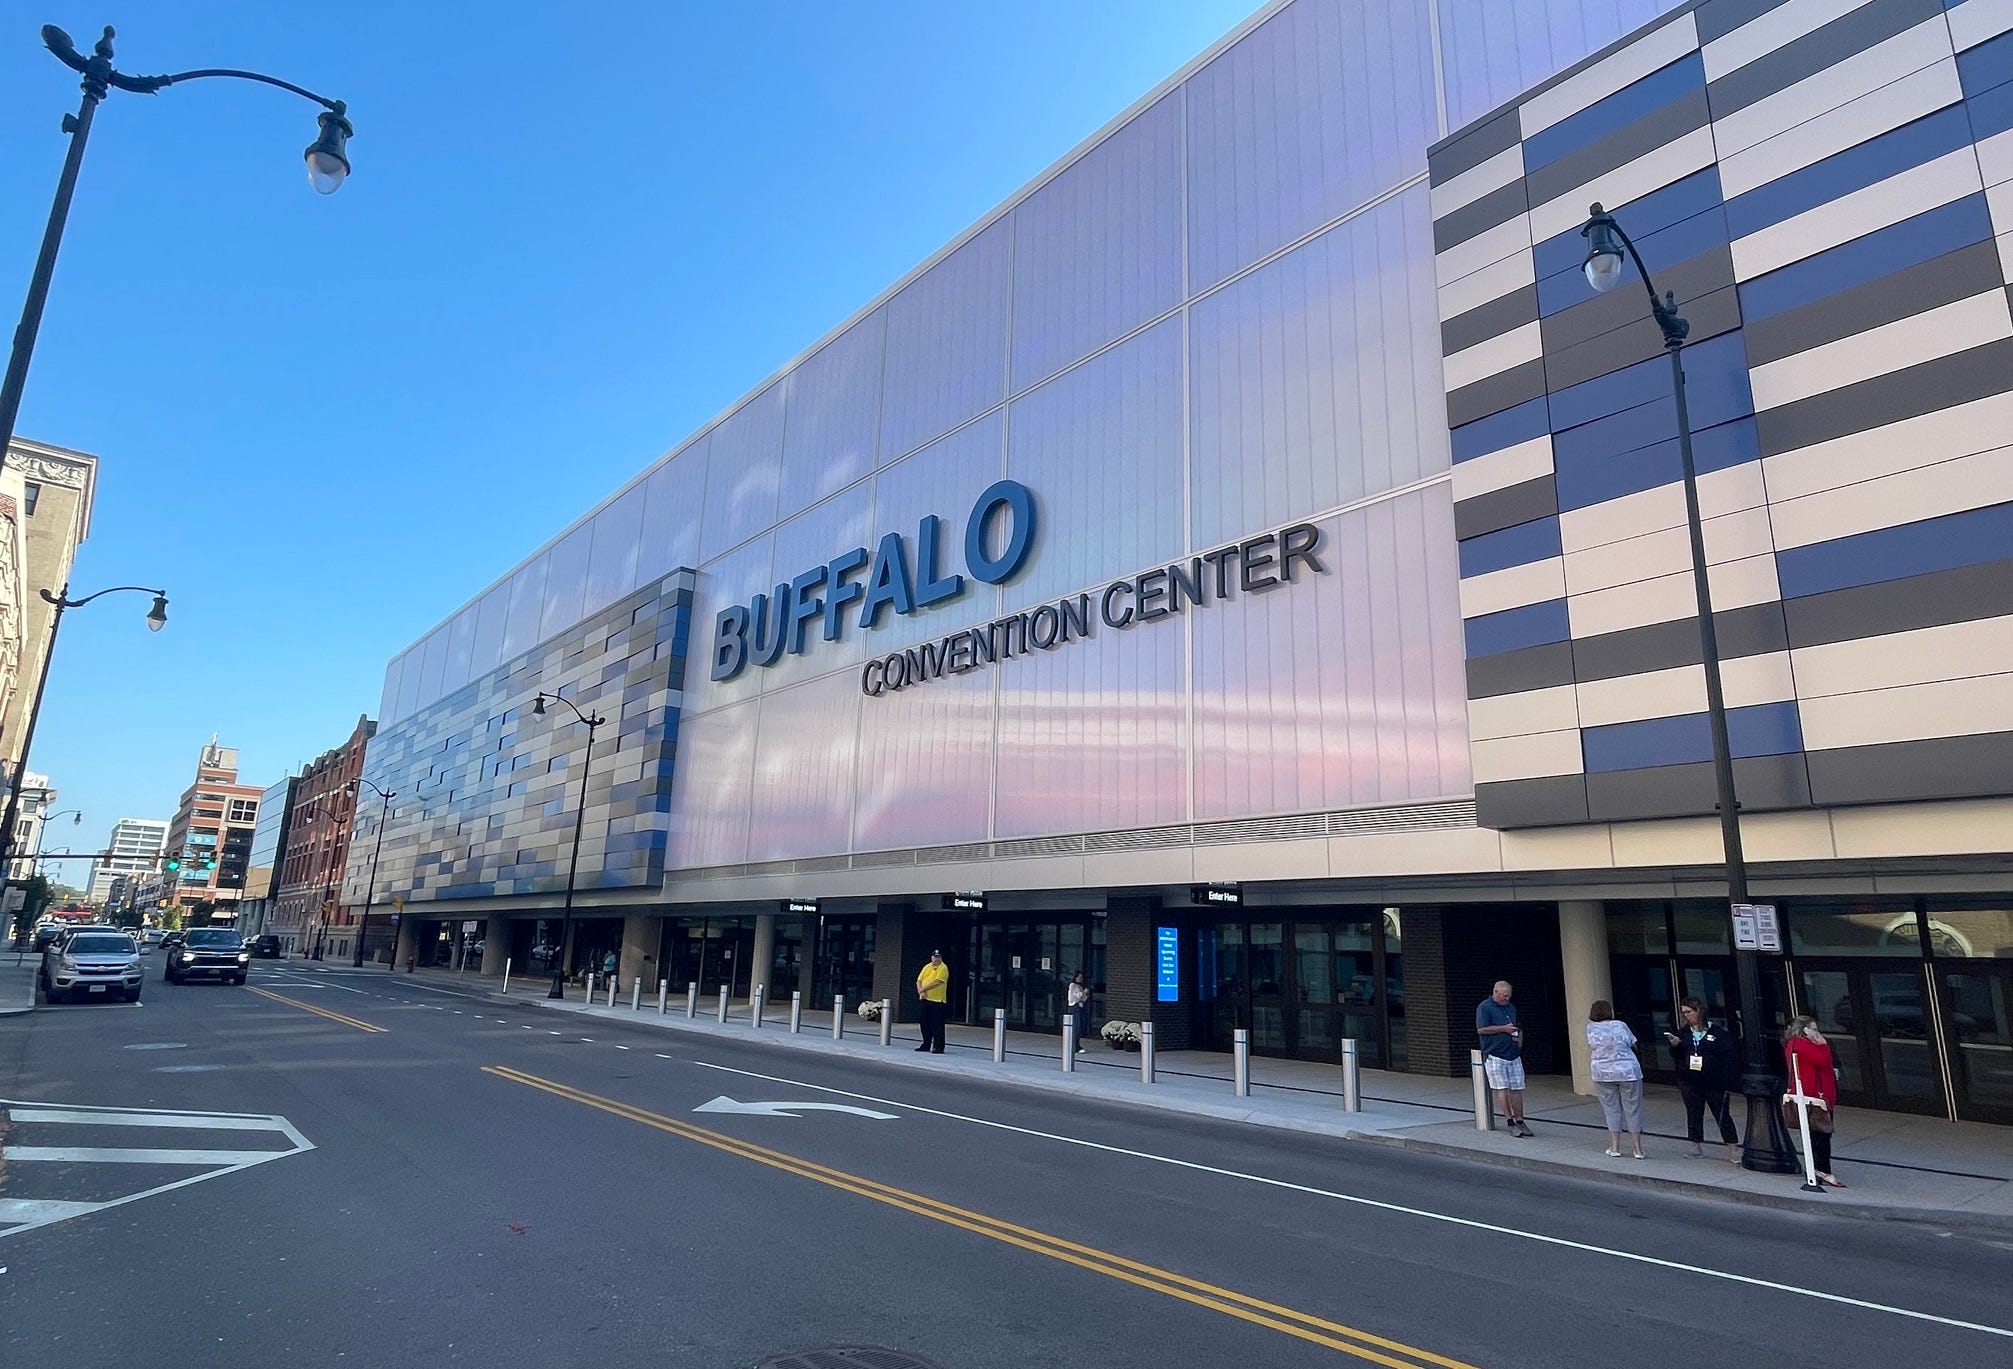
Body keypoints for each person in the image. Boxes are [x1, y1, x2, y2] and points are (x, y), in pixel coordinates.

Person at [1663, 996, 1740, 1161]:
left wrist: (1729, 1079)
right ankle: (1695, 1145)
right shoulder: (1683, 1032)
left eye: (1689, 1012)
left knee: (1721, 1113)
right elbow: (1677, 1056)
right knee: (1694, 1112)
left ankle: (1733, 1147)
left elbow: (1728, 1055)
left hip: (1713, 1079)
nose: (1686, 1016)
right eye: (1684, 1012)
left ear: (1699, 1011)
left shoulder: (1717, 1032)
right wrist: (1676, 1046)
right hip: (1689, 1078)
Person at [1783, 1014, 1844, 1188]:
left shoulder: (1796, 1044)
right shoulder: (1801, 1044)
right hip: (1815, 1096)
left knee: (1818, 1134)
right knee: (1821, 1134)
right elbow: (1822, 1060)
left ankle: (1817, 1168)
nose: (1818, 1034)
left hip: (1817, 1095)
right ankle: (1821, 1169)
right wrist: (1823, 1044)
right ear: (1805, 1030)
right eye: (1814, 1029)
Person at [1585, 1000, 1645, 1159]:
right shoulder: (1620, 1025)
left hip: (1602, 1072)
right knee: (1633, 1108)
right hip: (1627, 1071)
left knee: (1611, 1109)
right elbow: (1633, 1043)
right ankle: (1638, 1149)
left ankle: (1615, 1147)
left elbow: (1592, 1045)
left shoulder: (1590, 1028)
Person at [1476, 981, 1533, 1136]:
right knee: (1503, 1088)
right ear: (1496, 992)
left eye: (1509, 995)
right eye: (1504, 995)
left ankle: (1520, 1120)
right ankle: (1509, 1121)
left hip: (1512, 1053)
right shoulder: (1485, 1007)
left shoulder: (1510, 1007)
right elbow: (1481, 1029)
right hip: (1495, 1054)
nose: (1507, 998)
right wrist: (1503, 1029)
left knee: (1517, 1088)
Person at [915, 949, 949, 1054]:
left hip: (938, 1001)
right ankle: (926, 1044)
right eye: (934, 956)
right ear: (931, 957)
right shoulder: (927, 967)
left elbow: (937, 982)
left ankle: (938, 1047)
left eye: (938, 957)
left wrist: (923, 988)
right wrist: (921, 991)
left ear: (941, 958)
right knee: (924, 1022)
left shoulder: (943, 968)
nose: (936, 958)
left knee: (937, 1025)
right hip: (925, 999)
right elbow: (919, 980)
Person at [1066, 970, 1090, 1053]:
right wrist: (1083, 993)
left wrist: (1085, 995)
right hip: (1074, 1007)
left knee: (1079, 1027)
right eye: (1079, 977)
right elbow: (1074, 998)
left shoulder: (1079, 986)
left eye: (1082, 977)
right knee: (1076, 1027)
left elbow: (1083, 999)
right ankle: (1075, 1046)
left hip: (1080, 1007)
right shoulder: (1072, 985)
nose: (1081, 979)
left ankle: (1076, 1045)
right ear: (1075, 977)